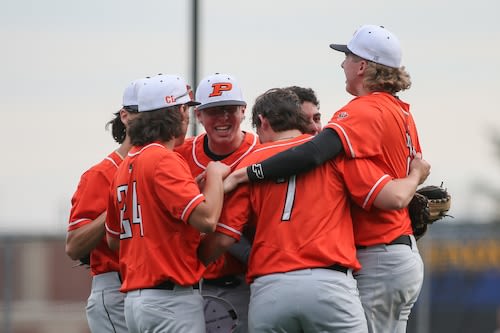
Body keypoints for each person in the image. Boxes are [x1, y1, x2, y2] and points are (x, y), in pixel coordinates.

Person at [224, 25, 427, 333]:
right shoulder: (402, 112)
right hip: (399, 250)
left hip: (379, 253)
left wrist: (249, 172)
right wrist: (413, 179)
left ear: (362, 66)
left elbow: (314, 152)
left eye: (347, 57)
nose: (342, 64)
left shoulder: (365, 108)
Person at [105, 74, 230, 333]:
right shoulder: (164, 159)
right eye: (185, 109)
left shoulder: (125, 163)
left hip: (136, 303)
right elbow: (207, 220)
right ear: (179, 112)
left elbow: (114, 240)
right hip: (170, 302)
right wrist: (215, 176)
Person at [175, 72, 257, 333]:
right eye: (214, 110)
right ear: (198, 115)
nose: (223, 118)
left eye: (230, 109)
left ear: (244, 111)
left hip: (246, 283)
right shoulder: (180, 155)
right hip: (190, 287)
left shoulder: (263, 150)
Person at [66, 78, 142, 333]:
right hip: (116, 287)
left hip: (155, 291)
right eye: (143, 112)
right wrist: (114, 208)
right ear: (125, 116)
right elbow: (75, 245)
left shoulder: (166, 164)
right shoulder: (100, 174)